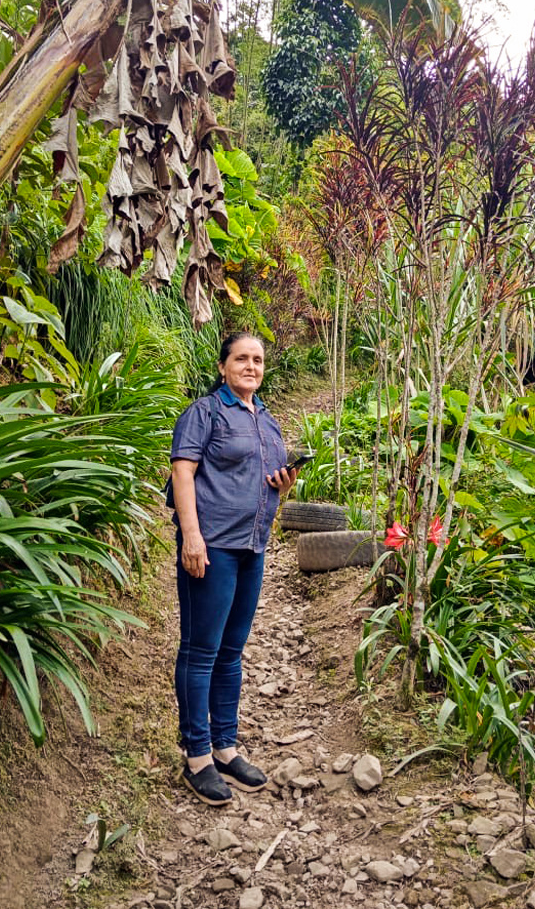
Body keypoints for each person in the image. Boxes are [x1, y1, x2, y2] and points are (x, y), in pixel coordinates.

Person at [170, 333, 298, 805]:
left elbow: (265, 481)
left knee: (231, 652)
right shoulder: (203, 413)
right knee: (201, 650)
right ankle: (197, 756)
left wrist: (283, 484)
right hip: (213, 546)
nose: (250, 366)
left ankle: (225, 747)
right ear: (223, 367)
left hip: (252, 546)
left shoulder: (267, 420)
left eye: (258, 359)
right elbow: (183, 472)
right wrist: (192, 536)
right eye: (241, 358)